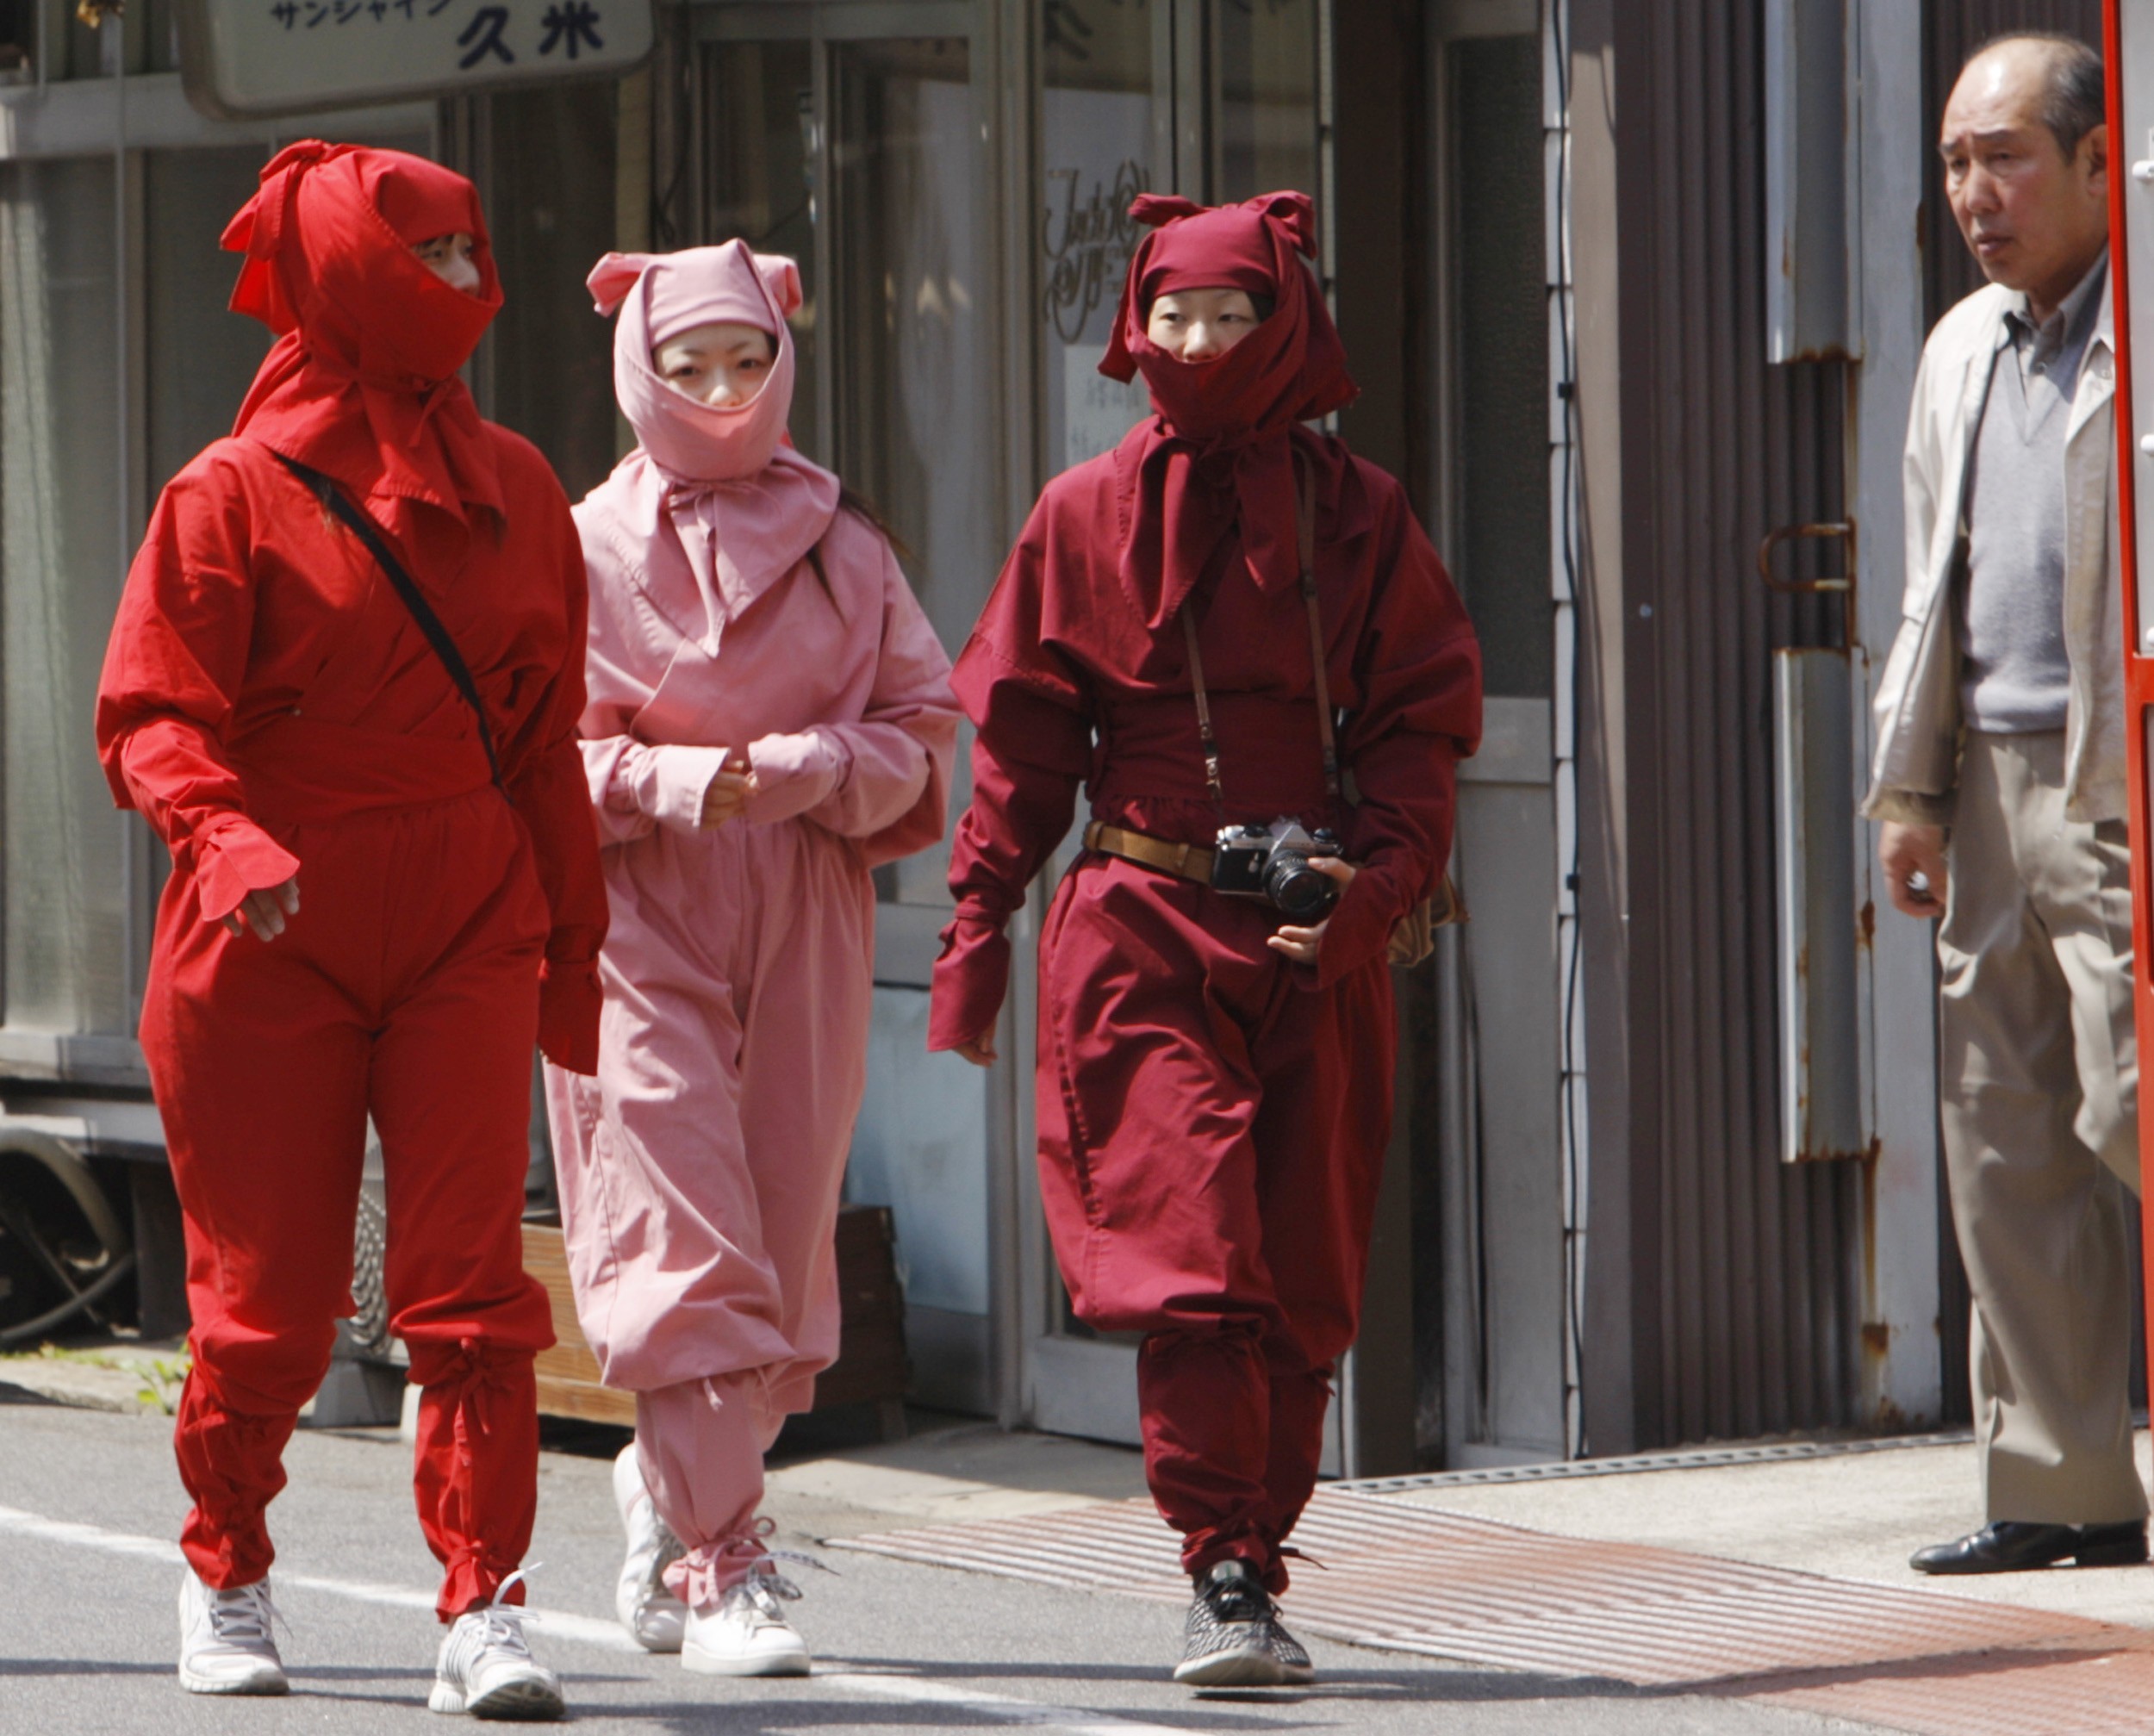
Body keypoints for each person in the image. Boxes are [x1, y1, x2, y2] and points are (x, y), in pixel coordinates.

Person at [928, 191, 1480, 1686]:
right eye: (1173, 317)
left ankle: (1261, 1552)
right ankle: (1222, 1567)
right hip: (1138, 921)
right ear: (1134, 326)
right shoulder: (1080, 514)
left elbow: (1421, 732)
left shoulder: (1362, 512)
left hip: (1320, 933)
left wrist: (1376, 888)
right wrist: (978, 920)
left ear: (1287, 322)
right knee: (1193, 1263)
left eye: (1234, 317)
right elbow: (1026, 746)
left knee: (1302, 1277)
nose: (1201, 343)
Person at [95, 140, 607, 1716]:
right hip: (269, 922)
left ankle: (485, 1604)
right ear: (341, 270)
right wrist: (227, 833)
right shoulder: (227, 492)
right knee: (272, 1303)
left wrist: (573, 941)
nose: (468, 284)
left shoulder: (520, 486)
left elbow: (539, 743)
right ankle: (228, 1565)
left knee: (468, 1287)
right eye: (431, 257)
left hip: (461, 903)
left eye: (470, 253)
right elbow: (147, 716)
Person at [544, 241, 958, 1677]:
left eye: (745, 362)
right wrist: (665, 787)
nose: (719, 393)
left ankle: (675, 1486)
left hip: (804, 905)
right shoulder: (583, 545)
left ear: (784, 363)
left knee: (782, 1244)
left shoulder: (847, 545)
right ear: (635, 372)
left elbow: (921, 732)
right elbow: (534, 753)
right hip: (637, 912)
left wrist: (802, 766)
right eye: (686, 365)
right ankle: (726, 1561)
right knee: (684, 1227)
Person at [1869, 34, 2147, 1575]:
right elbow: (1933, 588)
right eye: (1958, 163)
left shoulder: (2148, 328)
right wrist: (1908, 789)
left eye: (2009, 158)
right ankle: (2063, 1489)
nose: (1977, 194)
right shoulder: (1963, 342)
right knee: (2004, 1136)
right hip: (1989, 776)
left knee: (2136, 1114)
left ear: (2104, 161)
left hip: (2127, 779)